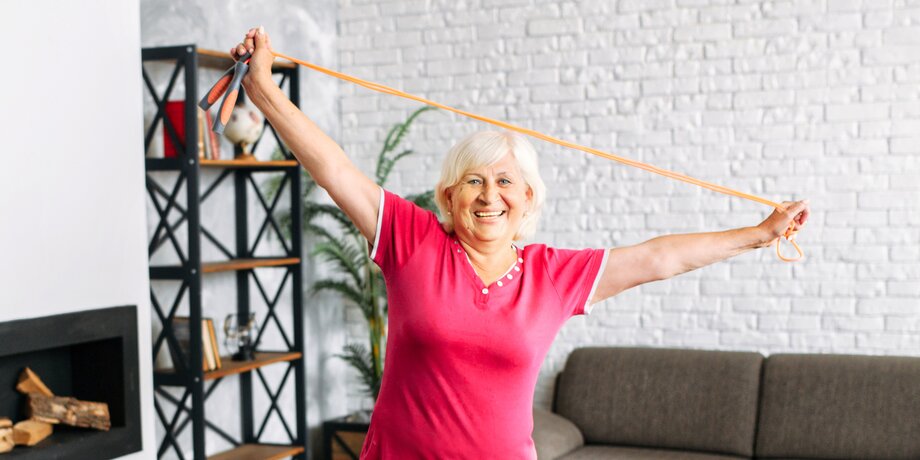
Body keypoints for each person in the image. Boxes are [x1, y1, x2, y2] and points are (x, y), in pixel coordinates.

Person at [232, 27, 810, 459]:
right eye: (474, 181)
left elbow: (659, 258)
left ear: (528, 198)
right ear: (449, 196)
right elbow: (334, 169)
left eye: (505, 181)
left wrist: (760, 234)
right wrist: (263, 90)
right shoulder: (414, 240)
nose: (490, 196)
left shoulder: (553, 275)